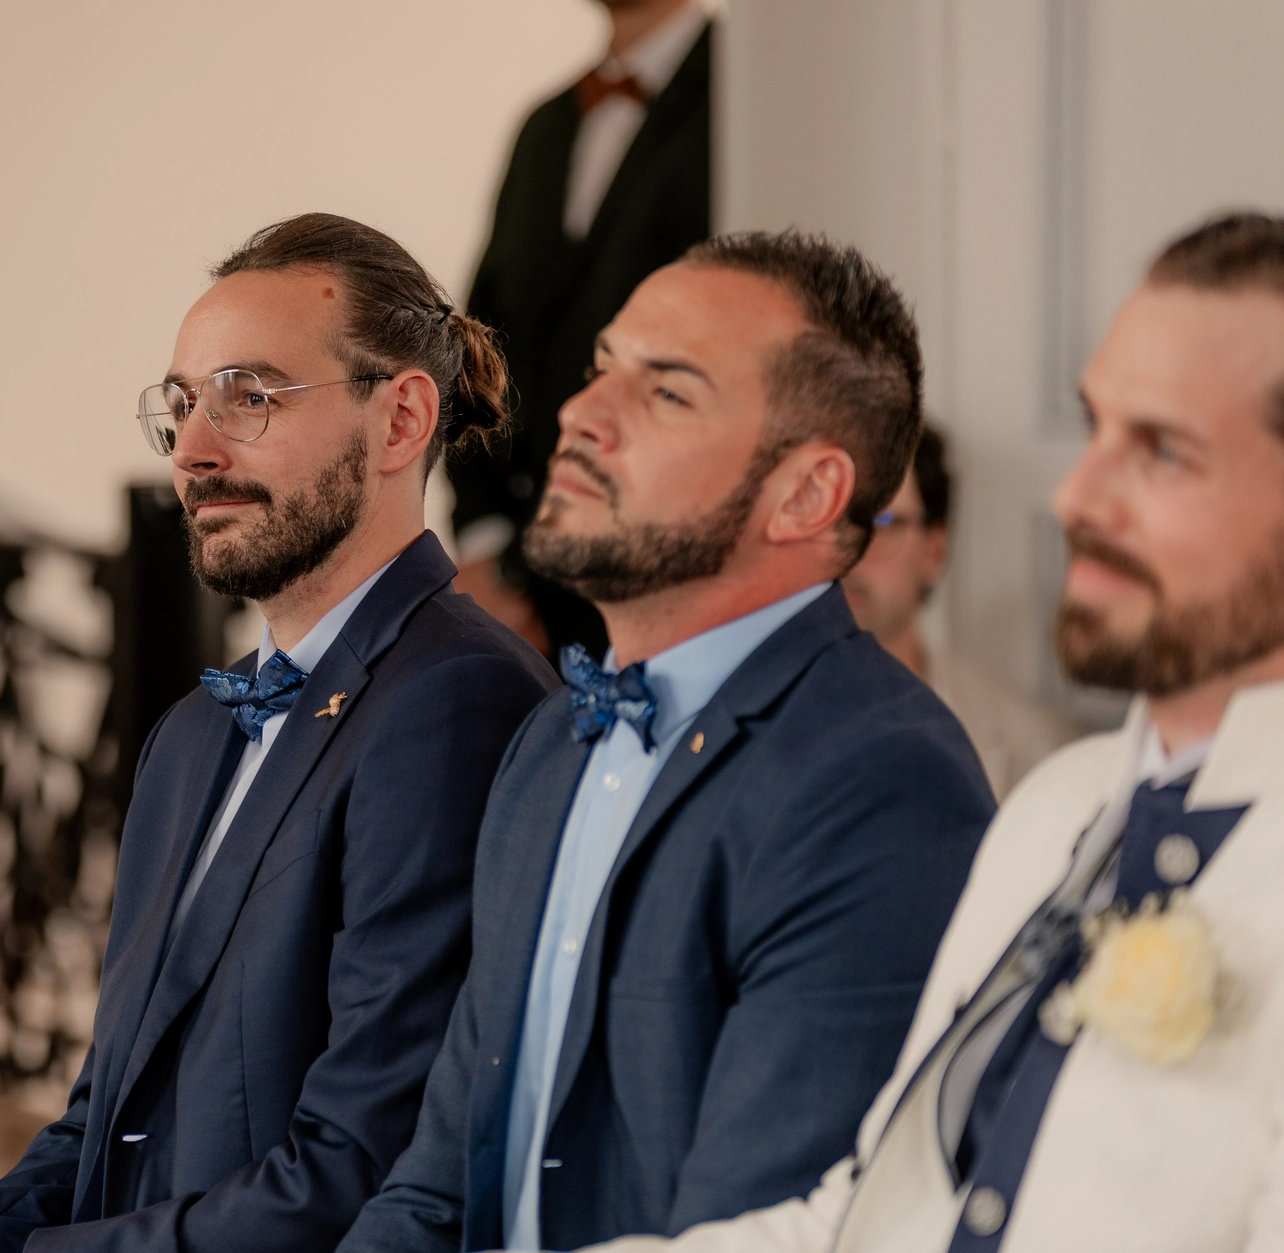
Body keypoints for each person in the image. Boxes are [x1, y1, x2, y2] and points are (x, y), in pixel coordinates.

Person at [0, 214, 558, 1253]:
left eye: (251, 396)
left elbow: (356, 1168)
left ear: (398, 420)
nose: (194, 453)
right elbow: (98, 1124)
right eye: (182, 405)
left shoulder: (456, 701)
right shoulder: (194, 727)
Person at [574, 212, 1284, 1252]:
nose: (1074, 496)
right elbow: (869, 1215)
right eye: (1093, 429)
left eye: (1162, 452)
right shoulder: (1055, 807)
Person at [338, 230, 995, 1253]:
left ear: (805, 494)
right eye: (601, 368)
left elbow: (757, 1226)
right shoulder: (551, 736)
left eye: (666, 392)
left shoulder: (880, 779)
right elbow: (435, 1176)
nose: (578, 412)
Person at [451, 0, 715, 660]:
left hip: (670, 569)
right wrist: (485, 546)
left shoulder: (748, 97)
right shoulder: (544, 127)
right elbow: (476, 342)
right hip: (522, 581)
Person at [843, 423, 1079, 798]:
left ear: (934, 550)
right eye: (834, 523)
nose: (849, 553)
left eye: (882, 523)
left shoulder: (1031, 747)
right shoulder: (736, 726)